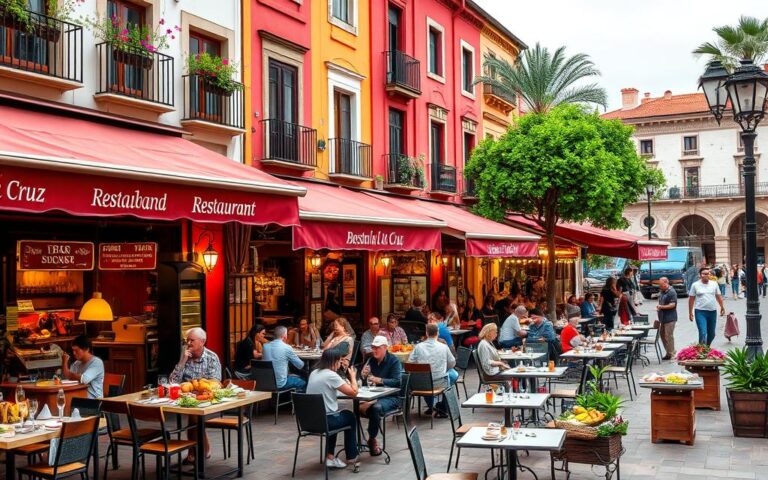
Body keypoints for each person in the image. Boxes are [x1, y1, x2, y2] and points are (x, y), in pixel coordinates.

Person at [169, 328, 222, 462]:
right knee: (193, 416)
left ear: (202, 341)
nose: (189, 343)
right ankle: (203, 450)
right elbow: (173, 382)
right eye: (187, 340)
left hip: (207, 398)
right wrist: (182, 361)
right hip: (187, 398)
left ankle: (193, 451)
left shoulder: (211, 357)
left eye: (192, 340)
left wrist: (196, 388)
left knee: (194, 417)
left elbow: (215, 382)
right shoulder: (185, 355)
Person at [306, 349, 360, 470]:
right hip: (325, 422)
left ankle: (330, 457)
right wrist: (353, 377)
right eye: (340, 361)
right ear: (334, 362)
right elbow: (354, 392)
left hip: (309, 422)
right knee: (349, 416)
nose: (340, 364)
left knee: (335, 414)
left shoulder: (314, 372)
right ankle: (352, 456)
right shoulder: (331, 375)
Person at [359, 336, 402, 456]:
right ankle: (354, 443)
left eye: (377, 348)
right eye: (373, 347)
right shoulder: (371, 360)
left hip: (392, 397)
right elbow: (364, 384)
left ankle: (372, 438)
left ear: (384, 348)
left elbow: (397, 382)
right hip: (373, 396)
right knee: (352, 409)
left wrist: (381, 380)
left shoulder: (394, 361)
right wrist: (363, 375)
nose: (374, 350)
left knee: (375, 408)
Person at [408, 323, 457, 416]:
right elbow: (452, 363)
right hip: (439, 382)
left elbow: (410, 363)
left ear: (426, 333)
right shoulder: (444, 347)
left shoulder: (418, 347)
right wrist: (444, 368)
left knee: (424, 378)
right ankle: (443, 408)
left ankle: (432, 406)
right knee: (449, 379)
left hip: (420, 384)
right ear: (437, 333)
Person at [688, 267, 725, 346]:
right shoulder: (695, 285)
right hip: (700, 312)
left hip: (712, 311)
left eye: (708, 274)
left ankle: (707, 348)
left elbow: (718, 296)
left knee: (712, 334)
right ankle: (702, 350)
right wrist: (690, 312)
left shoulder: (714, 284)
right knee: (703, 332)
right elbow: (691, 299)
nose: (706, 275)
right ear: (700, 275)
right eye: (704, 274)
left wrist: (722, 307)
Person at [262, 325, 306, 391]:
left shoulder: (265, 347)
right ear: (285, 336)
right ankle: (296, 400)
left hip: (266, 383)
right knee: (304, 382)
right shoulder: (286, 347)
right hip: (281, 384)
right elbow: (300, 365)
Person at [62, 334, 104, 399]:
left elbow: (84, 379)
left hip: (94, 401)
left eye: (76, 350)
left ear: (86, 349)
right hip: (79, 399)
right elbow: (67, 377)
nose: (74, 353)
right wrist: (64, 362)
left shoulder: (97, 362)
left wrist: (70, 375)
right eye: (73, 350)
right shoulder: (76, 363)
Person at [656, 277, 678, 360]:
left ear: (666, 283)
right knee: (662, 335)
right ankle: (668, 352)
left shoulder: (672, 292)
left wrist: (661, 306)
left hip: (670, 317)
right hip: (662, 318)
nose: (660, 286)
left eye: (661, 284)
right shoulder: (662, 291)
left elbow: (672, 304)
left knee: (669, 336)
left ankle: (672, 353)